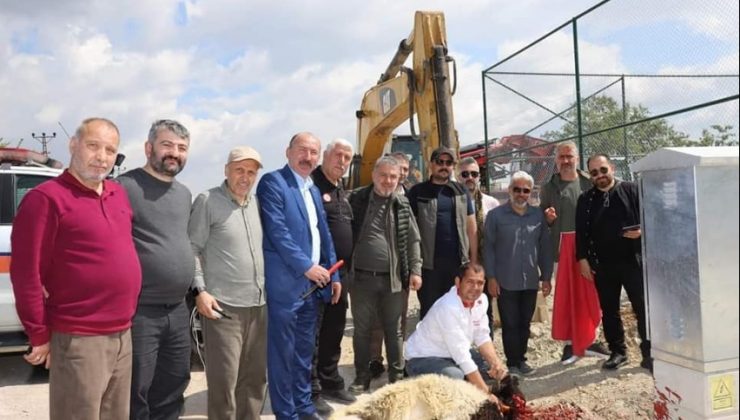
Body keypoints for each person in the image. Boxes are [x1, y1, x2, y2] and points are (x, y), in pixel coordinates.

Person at [10, 118, 142, 420]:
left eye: (110, 150)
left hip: (123, 334)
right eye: (93, 146)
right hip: (80, 338)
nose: (102, 156)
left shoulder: (117, 194)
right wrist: (39, 334)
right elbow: (26, 274)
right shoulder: (45, 199)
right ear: (73, 145)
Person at [256, 132, 341, 420]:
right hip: (286, 286)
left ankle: (304, 407)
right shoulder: (272, 183)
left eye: (313, 152)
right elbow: (278, 232)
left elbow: (323, 233)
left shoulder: (313, 189)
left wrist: (335, 275)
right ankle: (286, 413)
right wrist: (307, 266)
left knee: (304, 354)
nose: (308, 157)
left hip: (313, 288)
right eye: (302, 150)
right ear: (288, 151)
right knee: (282, 355)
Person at [118, 119, 194, 420]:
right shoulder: (123, 187)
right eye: (167, 145)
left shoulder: (184, 194)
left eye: (181, 148)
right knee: (135, 389)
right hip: (140, 311)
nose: (174, 153)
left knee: (174, 384)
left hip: (177, 309)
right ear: (149, 148)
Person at [188, 146, 267, 420]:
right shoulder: (207, 201)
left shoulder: (257, 204)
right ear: (226, 170)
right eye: (239, 170)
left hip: (259, 306)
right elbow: (192, 248)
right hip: (224, 308)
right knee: (225, 384)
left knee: (255, 380)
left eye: (251, 172)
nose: (245, 177)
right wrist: (200, 290)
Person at [347, 156, 423, 394]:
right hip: (360, 280)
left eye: (393, 176)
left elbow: (413, 240)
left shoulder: (402, 204)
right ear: (374, 175)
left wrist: (416, 270)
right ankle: (361, 377)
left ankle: (397, 377)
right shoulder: (356, 199)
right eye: (383, 175)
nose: (388, 180)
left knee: (395, 330)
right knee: (362, 330)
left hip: (393, 280)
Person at [576, 154, 652, 372]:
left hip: (633, 262)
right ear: (589, 176)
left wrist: (642, 232)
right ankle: (618, 352)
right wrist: (582, 259)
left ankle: (649, 353)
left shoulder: (632, 190)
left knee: (642, 307)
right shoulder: (586, 200)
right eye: (594, 173)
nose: (599, 175)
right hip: (603, 264)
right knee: (609, 310)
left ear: (612, 168)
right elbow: (581, 232)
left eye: (603, 170)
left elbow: (653, 218)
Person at [541, 141, 607, 365]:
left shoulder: (589, 182)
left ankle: (591, 340)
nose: (566, 161)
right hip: (563, 249)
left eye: (570, 156)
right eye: (562, 157)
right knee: (568, 296)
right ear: (556, 160)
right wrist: (548, 219)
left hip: (589, 248)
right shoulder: (549, 187)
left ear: (577, 158)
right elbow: (543, 221)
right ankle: (570, 343)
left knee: (591, 295)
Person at [405, 263, 507, 403]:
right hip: (423, 357)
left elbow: (482, 335)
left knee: (485, 363)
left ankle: (465, 388)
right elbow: (462, 356)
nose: (475, 288)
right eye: (470, 282)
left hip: (451, 353)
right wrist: (486, 394)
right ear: (458, 282)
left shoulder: (481, 300)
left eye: (479, 283)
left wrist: (496, 363)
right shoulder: (448, 307)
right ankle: (416, 381)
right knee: (455, 375)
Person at [484, 171, 553, 376]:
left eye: (526, 190)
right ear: (510, 190)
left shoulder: (537, 215)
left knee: (524, 322)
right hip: (506, 280)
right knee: (510, 323)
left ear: (531, 192)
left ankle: (522, 359)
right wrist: (491, 277)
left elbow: (545, 248)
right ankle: (512, 362)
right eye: (517, 189)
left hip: (530, 280)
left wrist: (546, 277)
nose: (521, 194)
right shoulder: (496, 216)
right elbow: (488, 247)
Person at [310, 139, 356, 416]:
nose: (341, 161)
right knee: (314, 334)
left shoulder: (341, 191)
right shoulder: (311, 187)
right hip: (318, 275)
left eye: (347, 158)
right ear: (324, 156)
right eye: (337, 155)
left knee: (335, 330)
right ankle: (312, 389)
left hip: (342, 275)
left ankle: (330, 380)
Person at [407, 146, 477, 319]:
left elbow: (471, 228)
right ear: (431, 164)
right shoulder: (417, 192)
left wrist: (473, 262)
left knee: (457, 314)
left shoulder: (461, 192)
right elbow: (409, 231)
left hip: (457, 265)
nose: (444, 166)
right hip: (428, 267)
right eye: (440, 162)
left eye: (449, 163)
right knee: (430, 315)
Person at [366, 151, 413, 378]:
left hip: (399, 271)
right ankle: (374, 359)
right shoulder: (367, 198)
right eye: (397, 170)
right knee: (375, 320)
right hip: (373, 274)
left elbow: (414, 235)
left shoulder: (409, 197)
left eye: (403, 170)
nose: (401, 174)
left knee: (398, 321)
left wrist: (414, 268)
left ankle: (398, 361)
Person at [458, 157, 500, 333]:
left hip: (484, 265)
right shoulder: (453, 201)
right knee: (459, 308)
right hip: (459, 263)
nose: (470, 177)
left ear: (479, 177)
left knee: (485, 307)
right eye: (465, 174)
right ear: (458, 176)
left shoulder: (491, 203)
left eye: (474, 174)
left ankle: (485, 345)